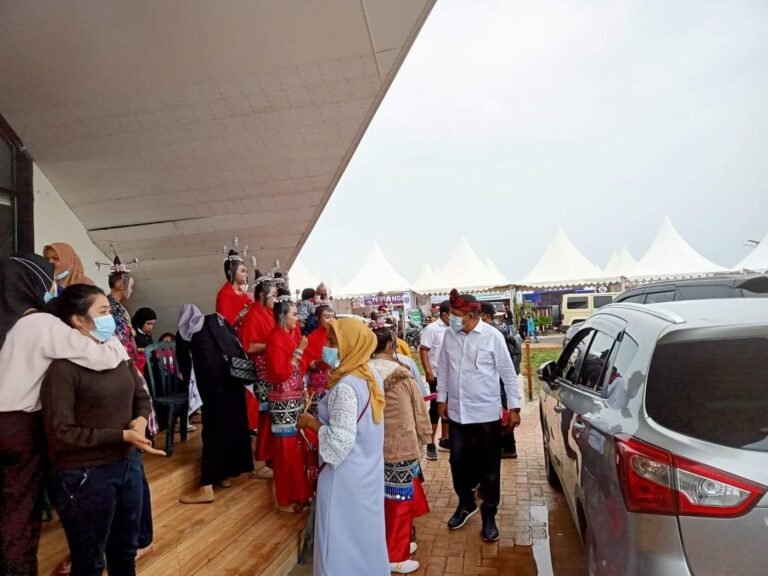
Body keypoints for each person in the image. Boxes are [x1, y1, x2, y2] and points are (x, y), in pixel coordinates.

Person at [0, 254, 128, 576]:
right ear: (34, 284)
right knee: (20, 510)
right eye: (50, 281)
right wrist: (115, 343)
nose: (53, 289)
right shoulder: (38, 324)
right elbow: (97, 356)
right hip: (17, 426)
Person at [41, 285, 166, 576]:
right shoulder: (62, 368)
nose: (112, 318)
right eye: (104, 311)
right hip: (85, 476)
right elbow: (61, 432)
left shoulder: (115, 351)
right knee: (90, 562)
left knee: (124, 554)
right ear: (79, 320)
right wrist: (120, 435)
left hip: (127, 465)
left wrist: (140, 421)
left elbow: (141, 395)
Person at [296, 318, 389, 576]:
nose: (327, 347)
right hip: (367, 474)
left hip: (344, 479)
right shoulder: (369, 376)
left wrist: (311, 422)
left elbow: (339, 444)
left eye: (333, 343)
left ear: (351, 345)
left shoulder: (346, 387)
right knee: (365, 541)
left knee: (337, 545)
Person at [437, 289, 521, 542]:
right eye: (451, 314)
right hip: (458, 413)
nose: (451, 319)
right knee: (458, 463)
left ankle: (489, 515)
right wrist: (441, 398)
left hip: (486, 414)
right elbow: (442, 368)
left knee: (489, 469)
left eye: (456, 314)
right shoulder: (450, 336)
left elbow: (507, 373)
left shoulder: (492, 336)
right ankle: (466, 503)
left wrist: (515, 408)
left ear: (472, 315)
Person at [177, 305, 254, 504]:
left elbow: (186, 368)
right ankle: (226, 475)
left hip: (213, 391)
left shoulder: (187, 334)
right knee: (233, 429)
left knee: (212, 434)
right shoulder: (218, 322)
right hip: (235, 384)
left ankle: (207, 487)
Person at [370, 327, 431, 575]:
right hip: (400, 445)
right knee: (399, 502)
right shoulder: (401, 371)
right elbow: (419, 410)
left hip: (373, 446)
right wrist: (426, 438)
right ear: (389, 346)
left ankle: (392, 545)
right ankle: (396, 555)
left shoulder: (363, 370)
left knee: (382, 501)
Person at [265, 293, 311, 512]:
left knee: (296, 448)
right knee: (285, 451)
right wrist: (300, 349)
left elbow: (298, 368)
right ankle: (284, 498)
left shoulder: (289, 336)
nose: (297, 319)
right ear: (283, 316)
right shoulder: (275, 339)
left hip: (293, 398)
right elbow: (280, 371)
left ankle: (299, 493)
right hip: (282, 401)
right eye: (293, 314)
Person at [238, 269, 279, 476]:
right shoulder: (254, 314)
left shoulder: (270, 313)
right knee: (267, 414)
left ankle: (271, 456)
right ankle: (265, 458)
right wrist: (272, 344)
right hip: (262, 371)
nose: (275, 299)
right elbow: (249, 346)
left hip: (272, 369)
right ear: (262, 296)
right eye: (272, 296)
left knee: (272, 414)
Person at [481, 303, 518, 459]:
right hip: (499, 380)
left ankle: (508, 447)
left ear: (487, 316)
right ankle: (508, 447)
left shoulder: (494, 333)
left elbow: (503, 365)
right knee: (502, 412)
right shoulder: (500, 330)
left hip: (499, 380)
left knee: (502, 414)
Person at [419, 300, 451, 460]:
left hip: (451, 375)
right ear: (445, 314)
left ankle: (445, 439)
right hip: (436, 374)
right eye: (453, 314)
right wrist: (428, 371)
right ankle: (430, 442)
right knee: (435, 408)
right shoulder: (432, 329)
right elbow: (424, 350)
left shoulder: (455, 329)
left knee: (449, 406)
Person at [303, 305, 334, 414]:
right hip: (318, 383)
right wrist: (320, 361)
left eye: (332, 317)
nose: (331, 320)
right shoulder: (311, 338)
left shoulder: (339, 336)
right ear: (317, 318)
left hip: (336, 381)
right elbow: (305, 364)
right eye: (327, 317)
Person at [215, 245, 252, 330]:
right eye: (242, 271)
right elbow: (224, 325)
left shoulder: (242, 292)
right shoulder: (224, 294)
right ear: (231, 272)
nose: (246, 275)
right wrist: (245, 311)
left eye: (246, 271)